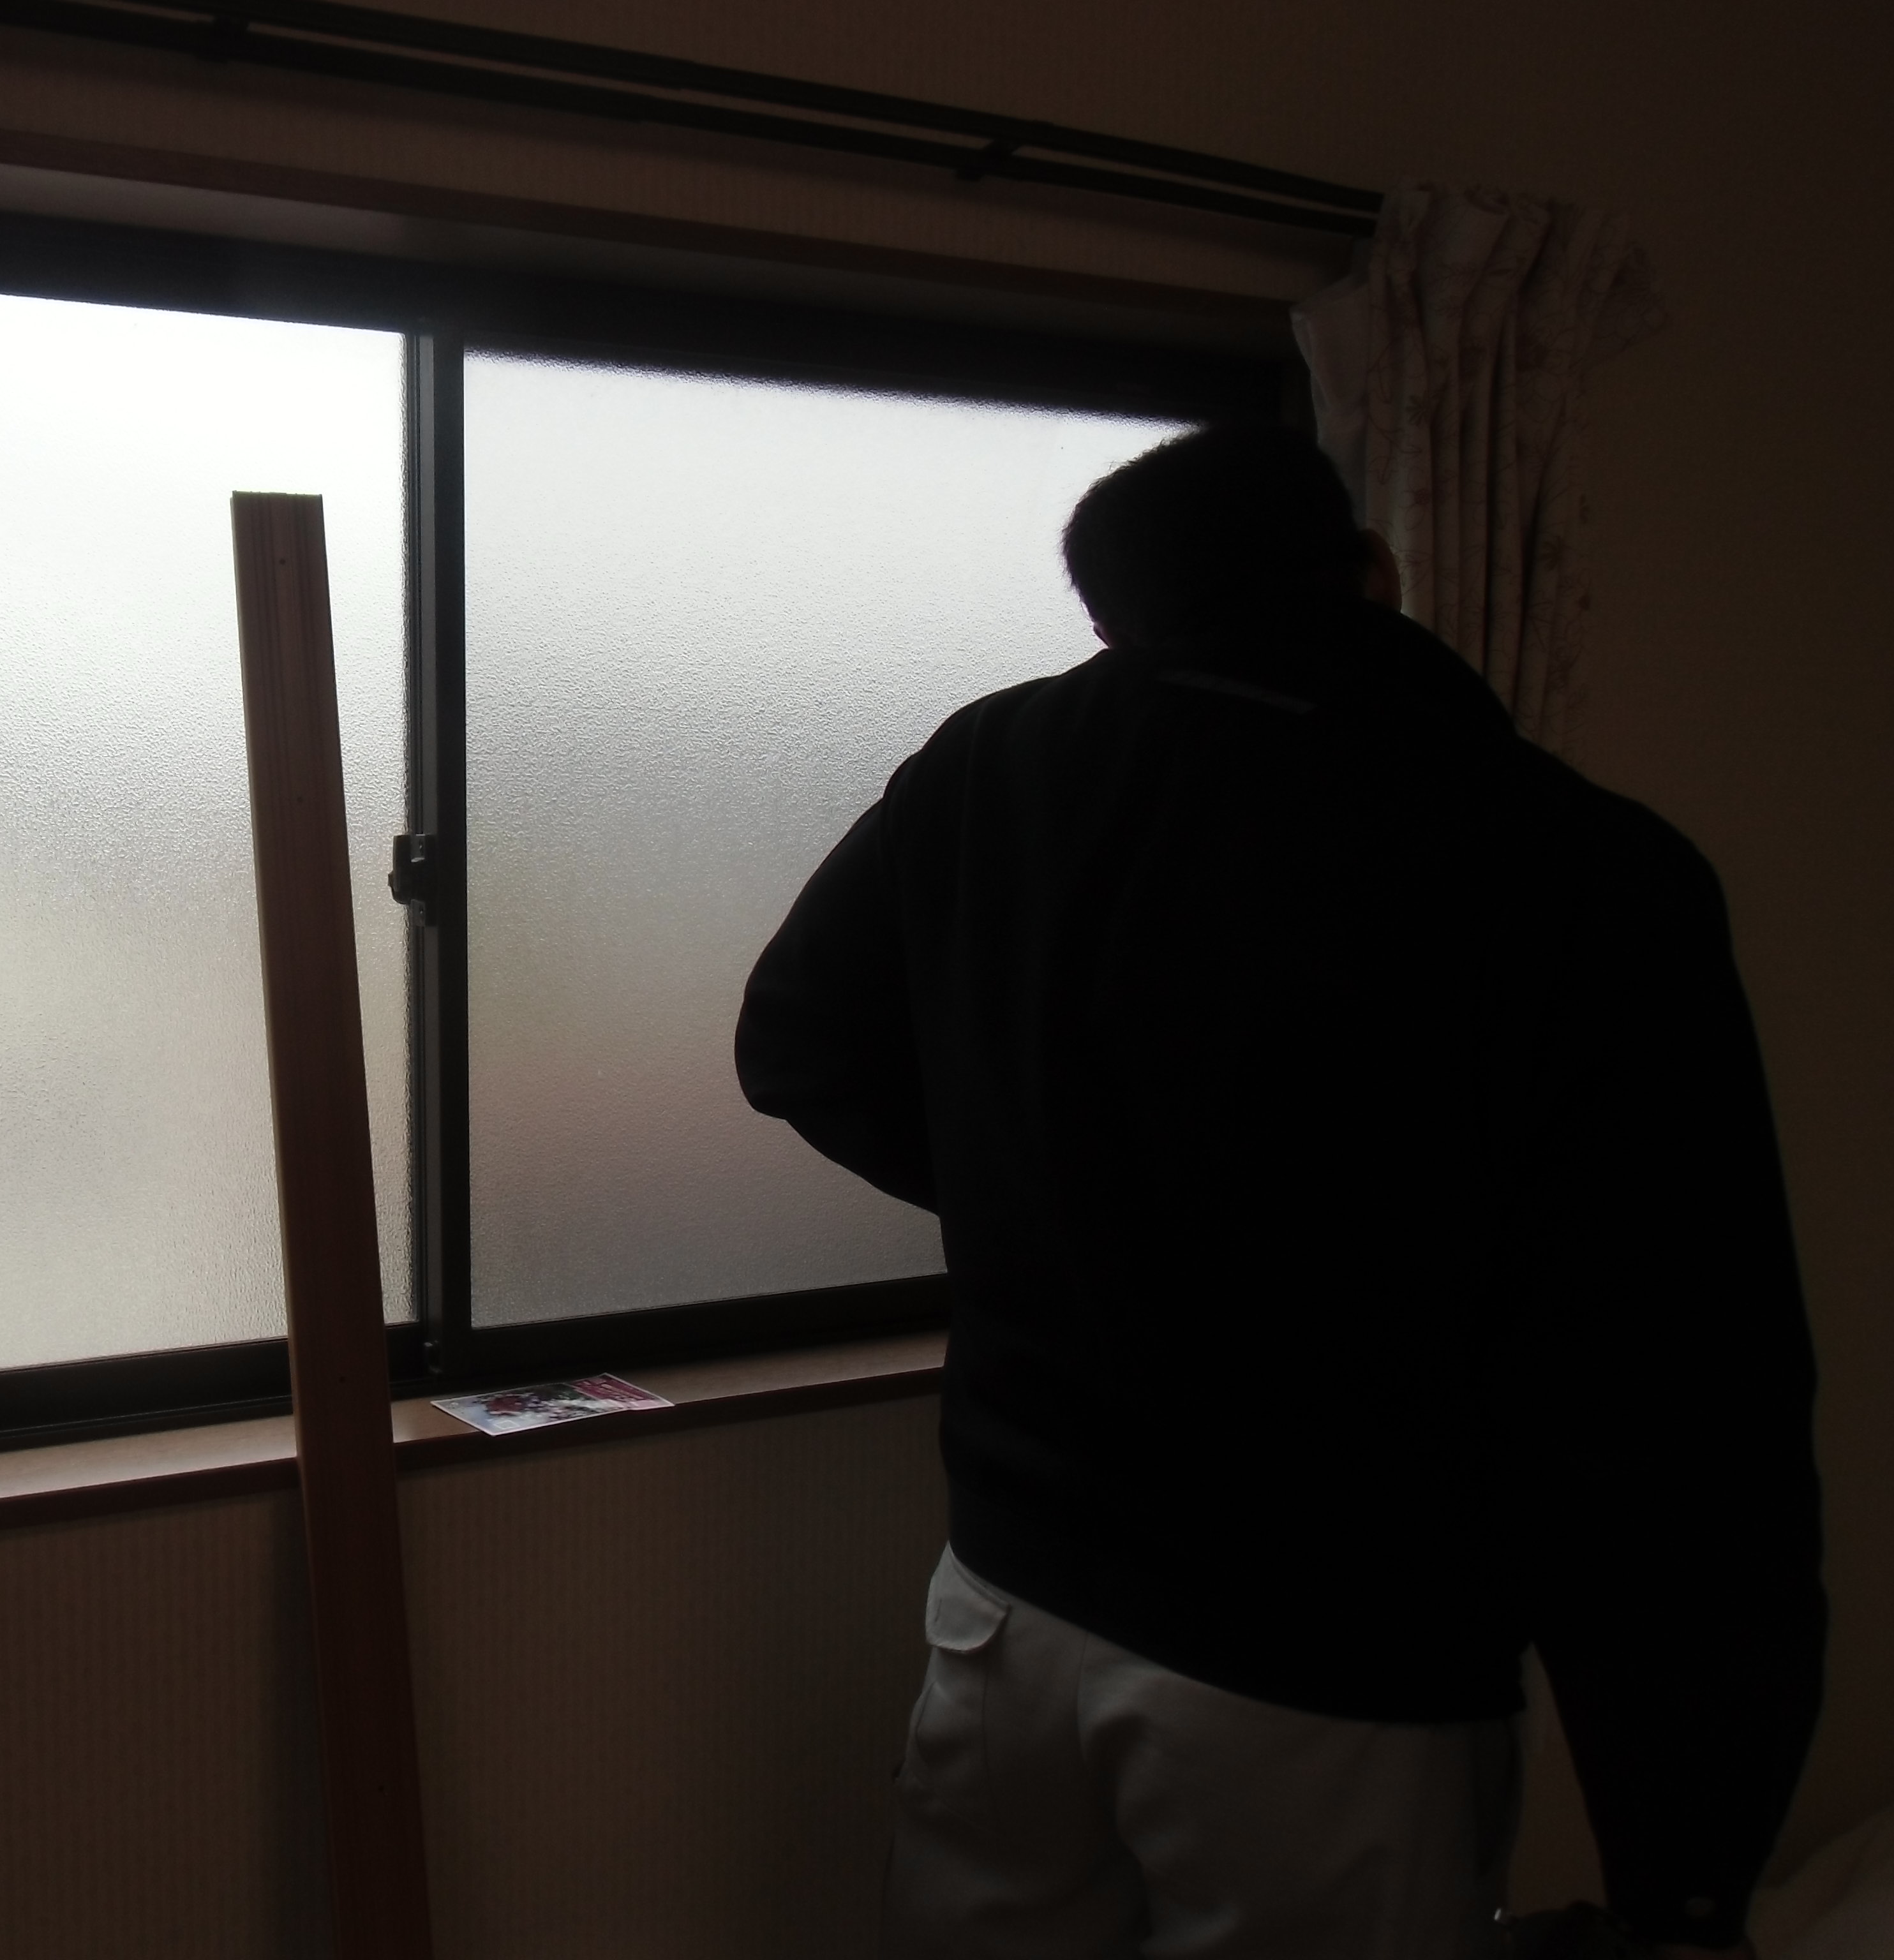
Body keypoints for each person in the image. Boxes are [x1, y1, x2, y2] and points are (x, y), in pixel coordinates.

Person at [733, 426, 1824, 1960]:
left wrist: (1039, 1194)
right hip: (1337, 1656)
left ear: (1114, 617)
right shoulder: (1573, 863)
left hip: (1008, 1598)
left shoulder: (988, 764)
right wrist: (1687, 1873)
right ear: (1374, 573)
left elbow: (795, 1047)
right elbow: (1677, 1387)